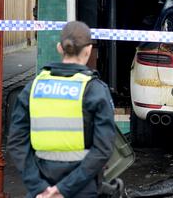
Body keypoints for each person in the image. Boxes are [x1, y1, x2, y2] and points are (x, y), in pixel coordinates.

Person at [8, 21, 116, 198]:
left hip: (41, 189)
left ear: (59, 48)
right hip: (82, 189)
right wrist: (63, 190)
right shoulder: (95, 90)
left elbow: (16, 142)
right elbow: (103, 149)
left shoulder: (33, 88)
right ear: (88, 50)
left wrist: (40, 188)